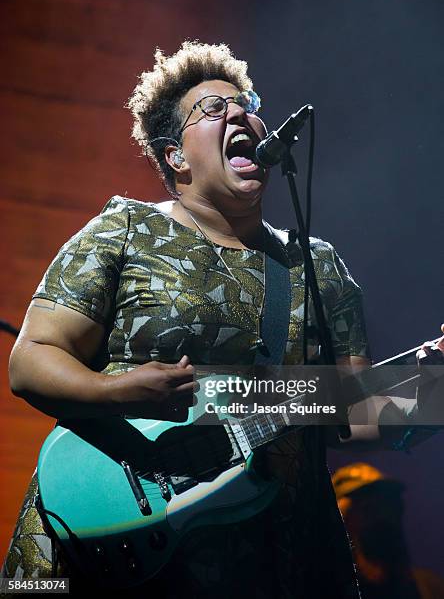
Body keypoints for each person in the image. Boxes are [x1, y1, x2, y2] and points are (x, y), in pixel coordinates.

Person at [2, 41, 443, 598]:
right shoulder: (127, 231)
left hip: (271, 557)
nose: (239, 113)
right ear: (175, 156)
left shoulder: (317, 266)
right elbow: (32, 360)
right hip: (113, 536)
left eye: (246, 103)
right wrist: (117, 391)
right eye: (213, 109)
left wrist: (437, 386)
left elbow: (352, 413)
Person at [332, 462, 444, 599]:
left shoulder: (431, 588)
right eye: (367, 508)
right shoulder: (318, 588)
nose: (382, 518)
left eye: (389, 505)